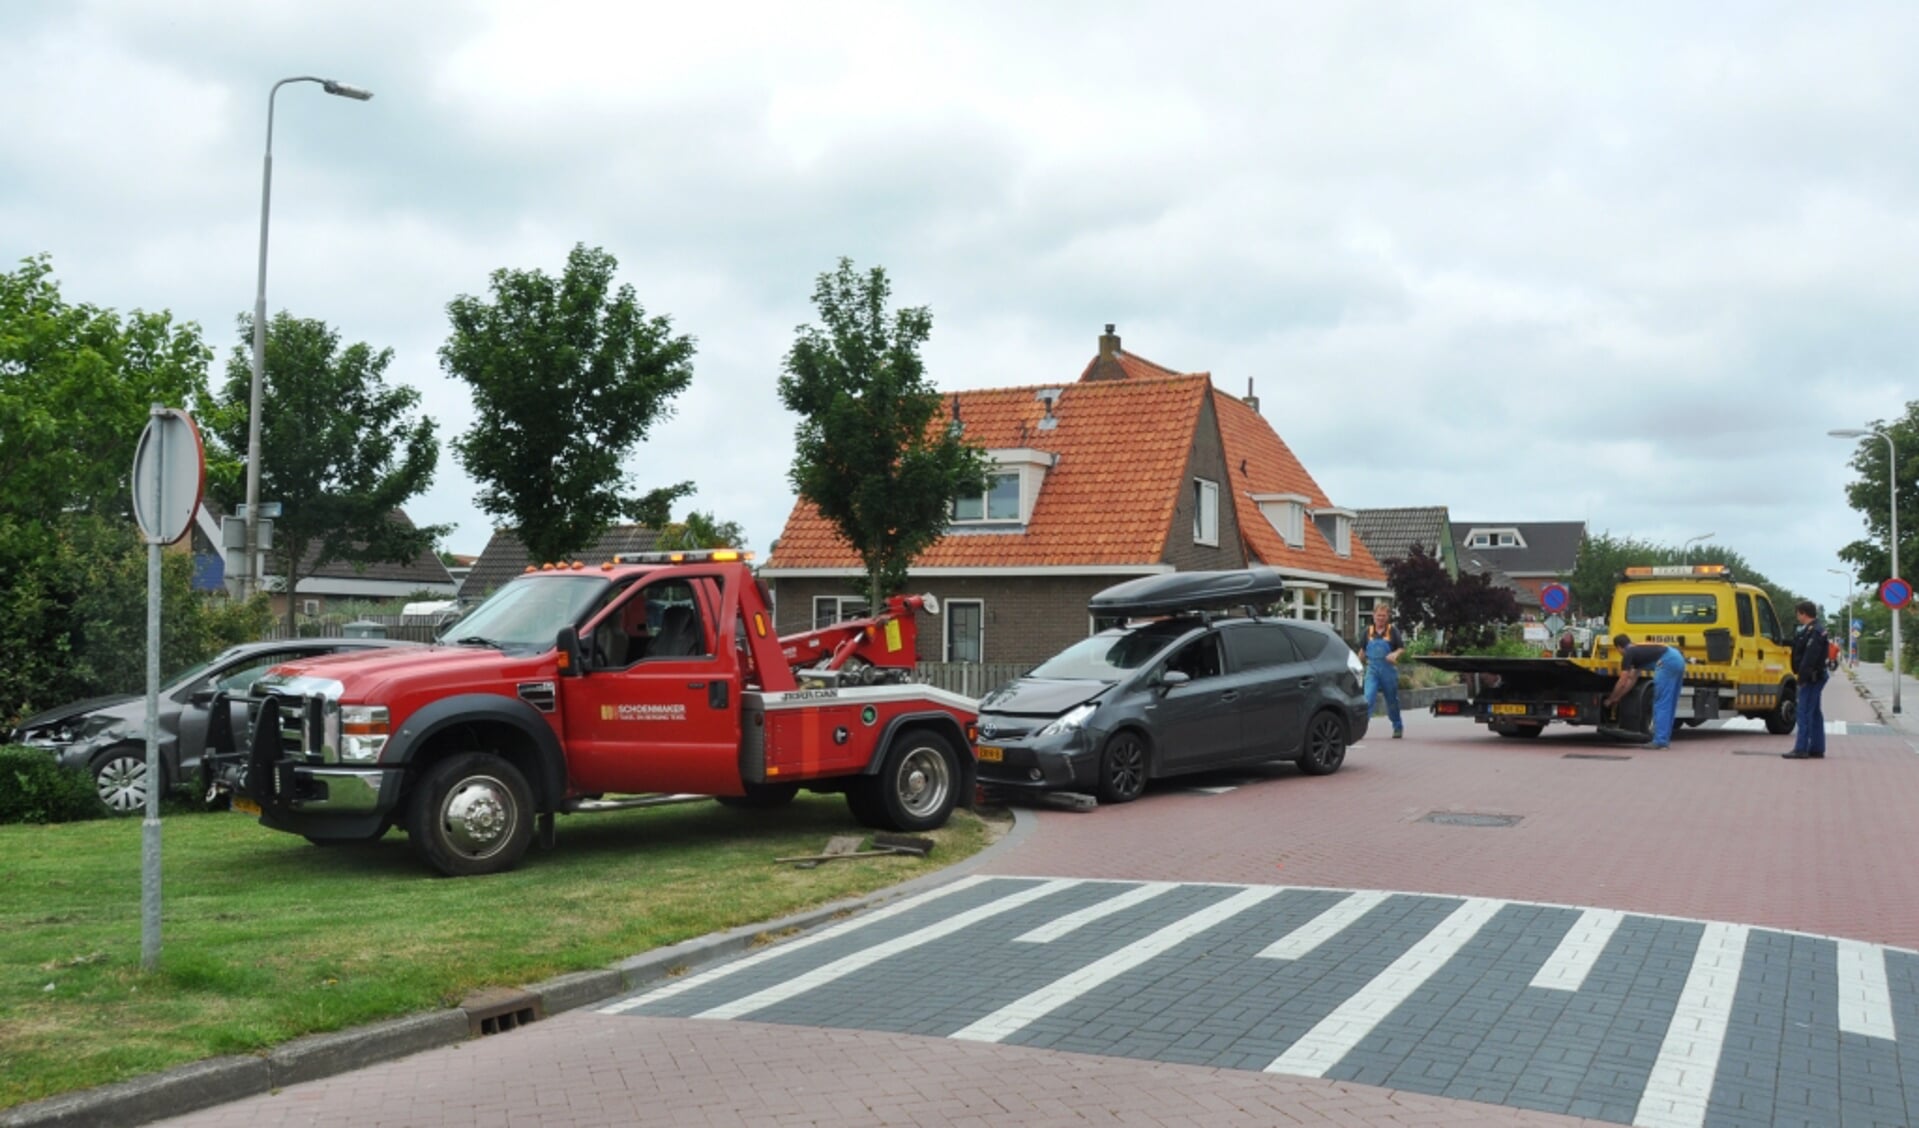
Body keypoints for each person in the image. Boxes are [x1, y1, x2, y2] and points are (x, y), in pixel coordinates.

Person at [1604, 634, 1686, 749]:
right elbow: (1632, 679)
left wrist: (1611, 698)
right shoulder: (1637, 650)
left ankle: (1660, 741)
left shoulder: (1628, 653)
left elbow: (1623, 680)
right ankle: (1663, 740)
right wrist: (1618, 697)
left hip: (1666, 661)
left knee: (1661, 703)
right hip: (1677, 657)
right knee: (1669, 703)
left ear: (1619, 647)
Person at [1786, 600, 1830, 760]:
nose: (1797, 617)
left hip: (1812, 678)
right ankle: (1817, 747)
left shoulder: (1815, 631)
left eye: (1798, 613)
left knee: (1803, 711)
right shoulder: (1811, 630)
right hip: (1815, 676)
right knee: (1815, 712)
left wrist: (1802, 678)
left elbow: (1809, 658)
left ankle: (1801, 748)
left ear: (1803, 613)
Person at [1360, 603, 1405, 738]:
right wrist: (1357, 665)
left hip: (1388, 670)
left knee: (1392, 700)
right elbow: (1362, 650)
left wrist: (1395, 654)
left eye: (1383, 616)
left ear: (1387, 617)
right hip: (1372, 669)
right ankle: (1360, 728)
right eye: (1378, 615)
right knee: (1368, 698)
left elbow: (1401, 648)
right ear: (1373, 616)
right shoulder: (1367, 632)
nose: (1381, 618)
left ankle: (1397, 726)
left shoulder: (1392, 631)